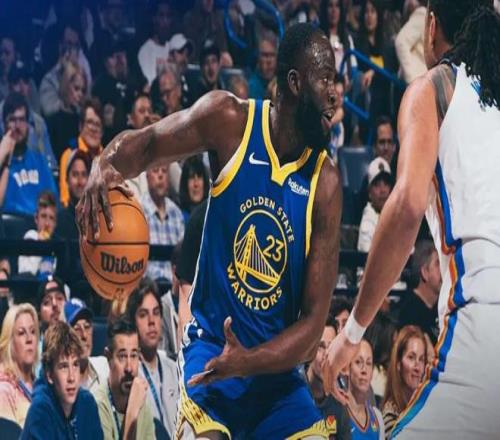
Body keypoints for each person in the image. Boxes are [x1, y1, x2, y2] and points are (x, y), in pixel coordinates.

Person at [78, 22, 342, 439]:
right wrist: (105, 163)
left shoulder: (325, 183)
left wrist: (249, 361)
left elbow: (311, 332)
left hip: (276, 375)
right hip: (212, 353)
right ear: (295, 83)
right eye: (325, 79)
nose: (335, 94)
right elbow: (149, 144)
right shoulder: (231, 121)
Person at [324, 2, 500, 438]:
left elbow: (405, 208)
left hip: (483, 325)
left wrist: (352, 333)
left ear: (431, 27)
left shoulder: (434, 88)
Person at [22, 321, 103, 439]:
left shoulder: (87, 403)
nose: (71, 377)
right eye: (63, 367)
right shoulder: (40, 411)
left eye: (75, 365)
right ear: (49, 375)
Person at [126, 278, 179, 438]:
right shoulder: (130, 373)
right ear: (133, 322)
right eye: (143, 315)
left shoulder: (173, 369)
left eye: (156, 313)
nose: (151, 321)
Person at [92, 316, 155, 440]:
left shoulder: (142, 402)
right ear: (108, 357)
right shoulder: (96, 406)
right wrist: (132, 412)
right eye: (122, 356)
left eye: (134, 355)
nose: (129, 368)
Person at [0, 93, 58, 217]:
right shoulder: (1, 164)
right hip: (9, 226)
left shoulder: (40, 161)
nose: (17, 126)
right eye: (12, 120)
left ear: (27, 124)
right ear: (4, 124)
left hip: (38, 225)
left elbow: (53, 202)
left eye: (22, 120)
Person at [306, 311, 352, 440]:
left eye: (330, 347)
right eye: (320, 346)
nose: (326, 354)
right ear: (309, 349)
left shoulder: (338, 401)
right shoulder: (295, 392)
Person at [141, 158, 184, 283]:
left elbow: (182, 258)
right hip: (147, 287)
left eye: (164, 171)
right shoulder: (139, 211)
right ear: (147, 176)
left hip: (173, 286)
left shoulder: (176, 214)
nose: (160, 175)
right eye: (155, 171)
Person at [381, 326, 426, 438]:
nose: (417, 367)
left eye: (421, 359)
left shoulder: (424, 406)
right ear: (398, 364)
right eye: (411, 357)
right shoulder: (390, 414)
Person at [58, 98, 103, 207]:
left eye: (98, 124)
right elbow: (65, 200)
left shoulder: (107, 158)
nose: (94, 129)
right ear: (80, 126)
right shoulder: (69, 155)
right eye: (90, 122)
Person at [0, 304, 39, 428]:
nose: (29, 339)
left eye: (33, 332)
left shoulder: (42, 386)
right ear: (10, 343)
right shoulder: (4, 391)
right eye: (21, 333)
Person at [399, 240, 440, 343]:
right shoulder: (408, 313)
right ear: (425, 272)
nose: (444, 269)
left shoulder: (442, 307)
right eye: (438, 264)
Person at [64, 298, 109, 392]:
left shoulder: (104, 367)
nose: (84, 335)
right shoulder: (61, 381)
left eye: (87, 327)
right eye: (77, 329)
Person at [347, 339, 384, 440]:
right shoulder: (337, 412)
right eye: (358, 362)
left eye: (368, 363)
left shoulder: (377, 417)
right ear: (347, 367)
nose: (364, 370)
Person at [18, 191, 58, 278]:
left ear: (55, 224)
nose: (47, 223)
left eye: (51, 218)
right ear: (36, 218)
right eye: (43, 216)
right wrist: (40, 245)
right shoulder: (30, 236)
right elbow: (28, 272)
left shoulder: (56, 245)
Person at [357, 158, 392, 253]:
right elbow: (366, 256)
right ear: (369, 193)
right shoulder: (367, 221)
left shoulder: (397, 216)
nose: (383, 190)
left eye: (386, 184)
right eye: (377, 185)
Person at [137, 0, 174, 85]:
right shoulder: (146, 51)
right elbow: (150, 84)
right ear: (154, 19)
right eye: (161, 16)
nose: (165, 21)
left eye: (168, 16)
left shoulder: (172, 48)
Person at [395, 0, 427, 84]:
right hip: (416, 82)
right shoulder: (422, 15)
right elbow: (401, 42)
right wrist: (412, 80)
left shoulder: (422, 15)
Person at [178, 155, 209, 223]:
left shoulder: (212, 214)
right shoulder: (179, 217)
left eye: (199, 177)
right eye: (191, 178)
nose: (196, 184)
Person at [248, 33, 278, 99]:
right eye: (265, 55)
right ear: (258, 57)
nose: (269, 61)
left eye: (272, 55)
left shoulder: (283, 81)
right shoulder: (252, 86)